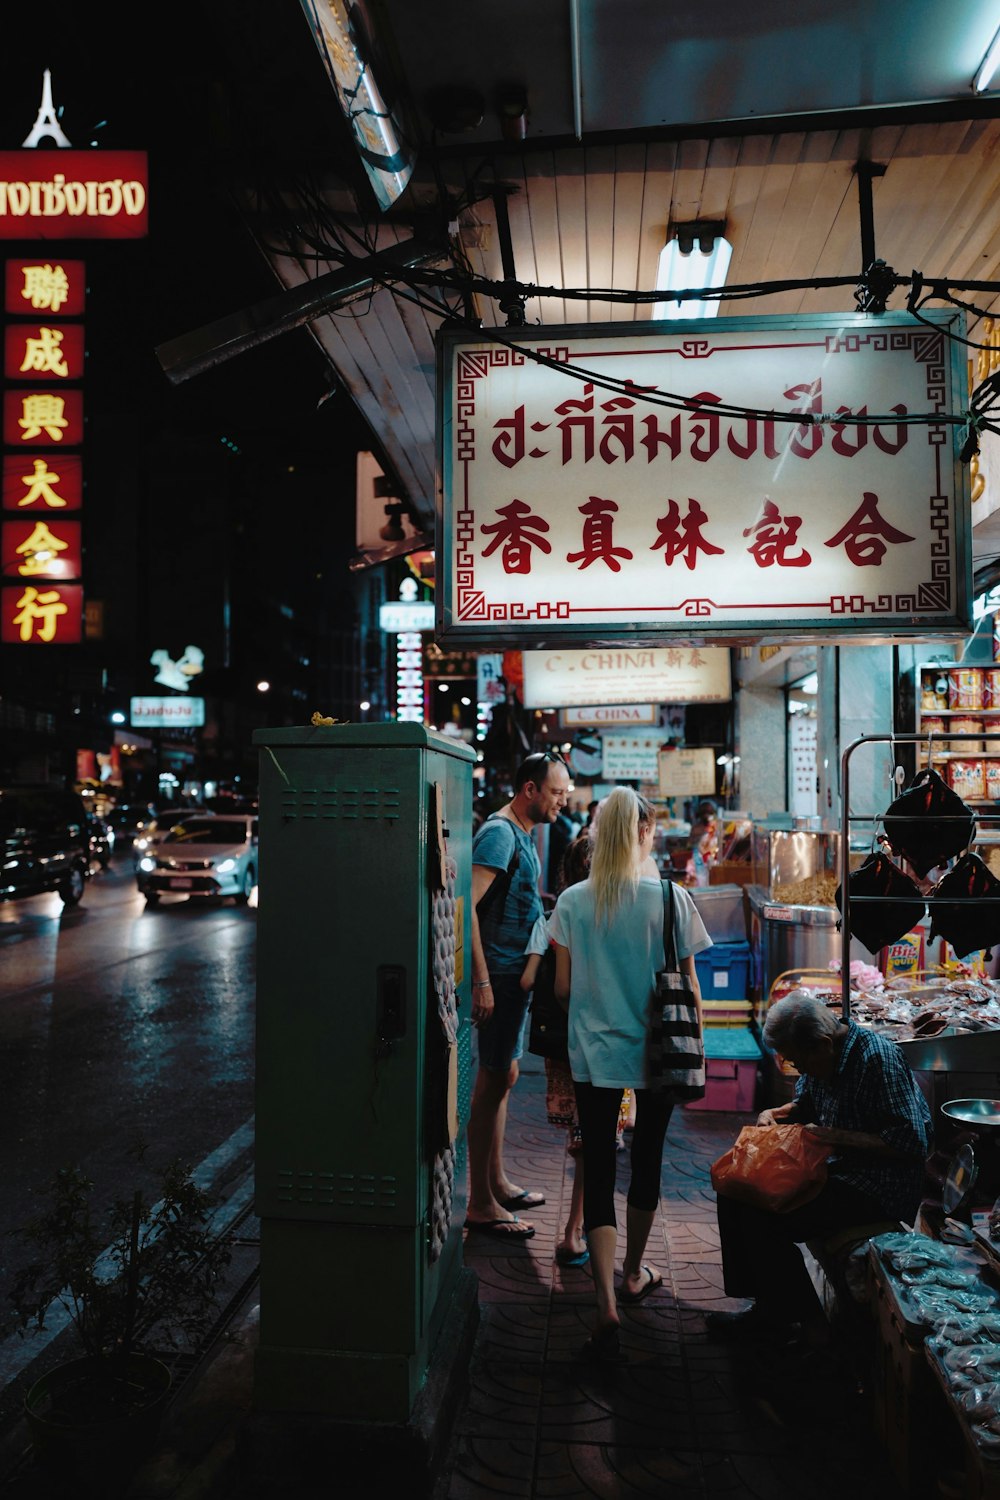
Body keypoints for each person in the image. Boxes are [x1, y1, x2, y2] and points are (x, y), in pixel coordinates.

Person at [549, 786, 711, 1359]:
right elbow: (689, 988)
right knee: (646, 1162)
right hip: (655, 1053)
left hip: (593, 1054)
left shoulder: (571, 901)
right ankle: (635, 1273)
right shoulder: (671, 899)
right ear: (643, 834)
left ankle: (603, 1304)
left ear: (598, 835)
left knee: (595, 1164)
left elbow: (563, 988)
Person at [708, 991, 932, 1344]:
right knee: (735, 1190)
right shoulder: (823, 1058)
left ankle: (811, 1327)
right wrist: (774, 1114)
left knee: (765, 1216)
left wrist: (834, 1136)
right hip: (838, 1170)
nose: (798, 1069)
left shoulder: (878, 1060)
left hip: (880, 1186)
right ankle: (767, 1308)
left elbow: (912, 1143)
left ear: (823, 1044)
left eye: (798, 1061)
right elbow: (806, 1103)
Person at [466, 749, 572, 1239]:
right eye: (555, 792)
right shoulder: (498, 833)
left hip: (512, 979)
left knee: (503, 1076)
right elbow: (465, 908)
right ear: (529, 788)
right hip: (500, 979)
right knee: (490, 1084)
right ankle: (481, 1203)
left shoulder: (524, 834)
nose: (561, 802)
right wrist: (482, 981)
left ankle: (498, 1182)